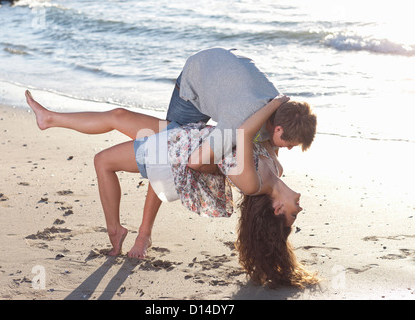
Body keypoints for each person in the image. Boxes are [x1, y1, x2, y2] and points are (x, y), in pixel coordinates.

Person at [25, 90, 318, 288]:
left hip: (170, 152)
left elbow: (243, 132)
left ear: (277, 209)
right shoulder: (276, 167)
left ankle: (116, 230)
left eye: (294, 216)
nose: (300, 209)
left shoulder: (255, 182)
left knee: (103, 161)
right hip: (185, 135)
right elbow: (270, 130)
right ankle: (49, 118)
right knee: (117, 115)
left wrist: (276, 102)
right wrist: (285, 111)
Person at [137, 48, 317, 259]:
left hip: (227, 66)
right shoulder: (239, 123)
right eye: (290, 144)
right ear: (278, 129)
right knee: (164, 150)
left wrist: (277, 103)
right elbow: (197, 161)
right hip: (198, 76)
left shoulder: (281, 112)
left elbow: (262, 158)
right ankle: (144, 233)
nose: (288, 149)